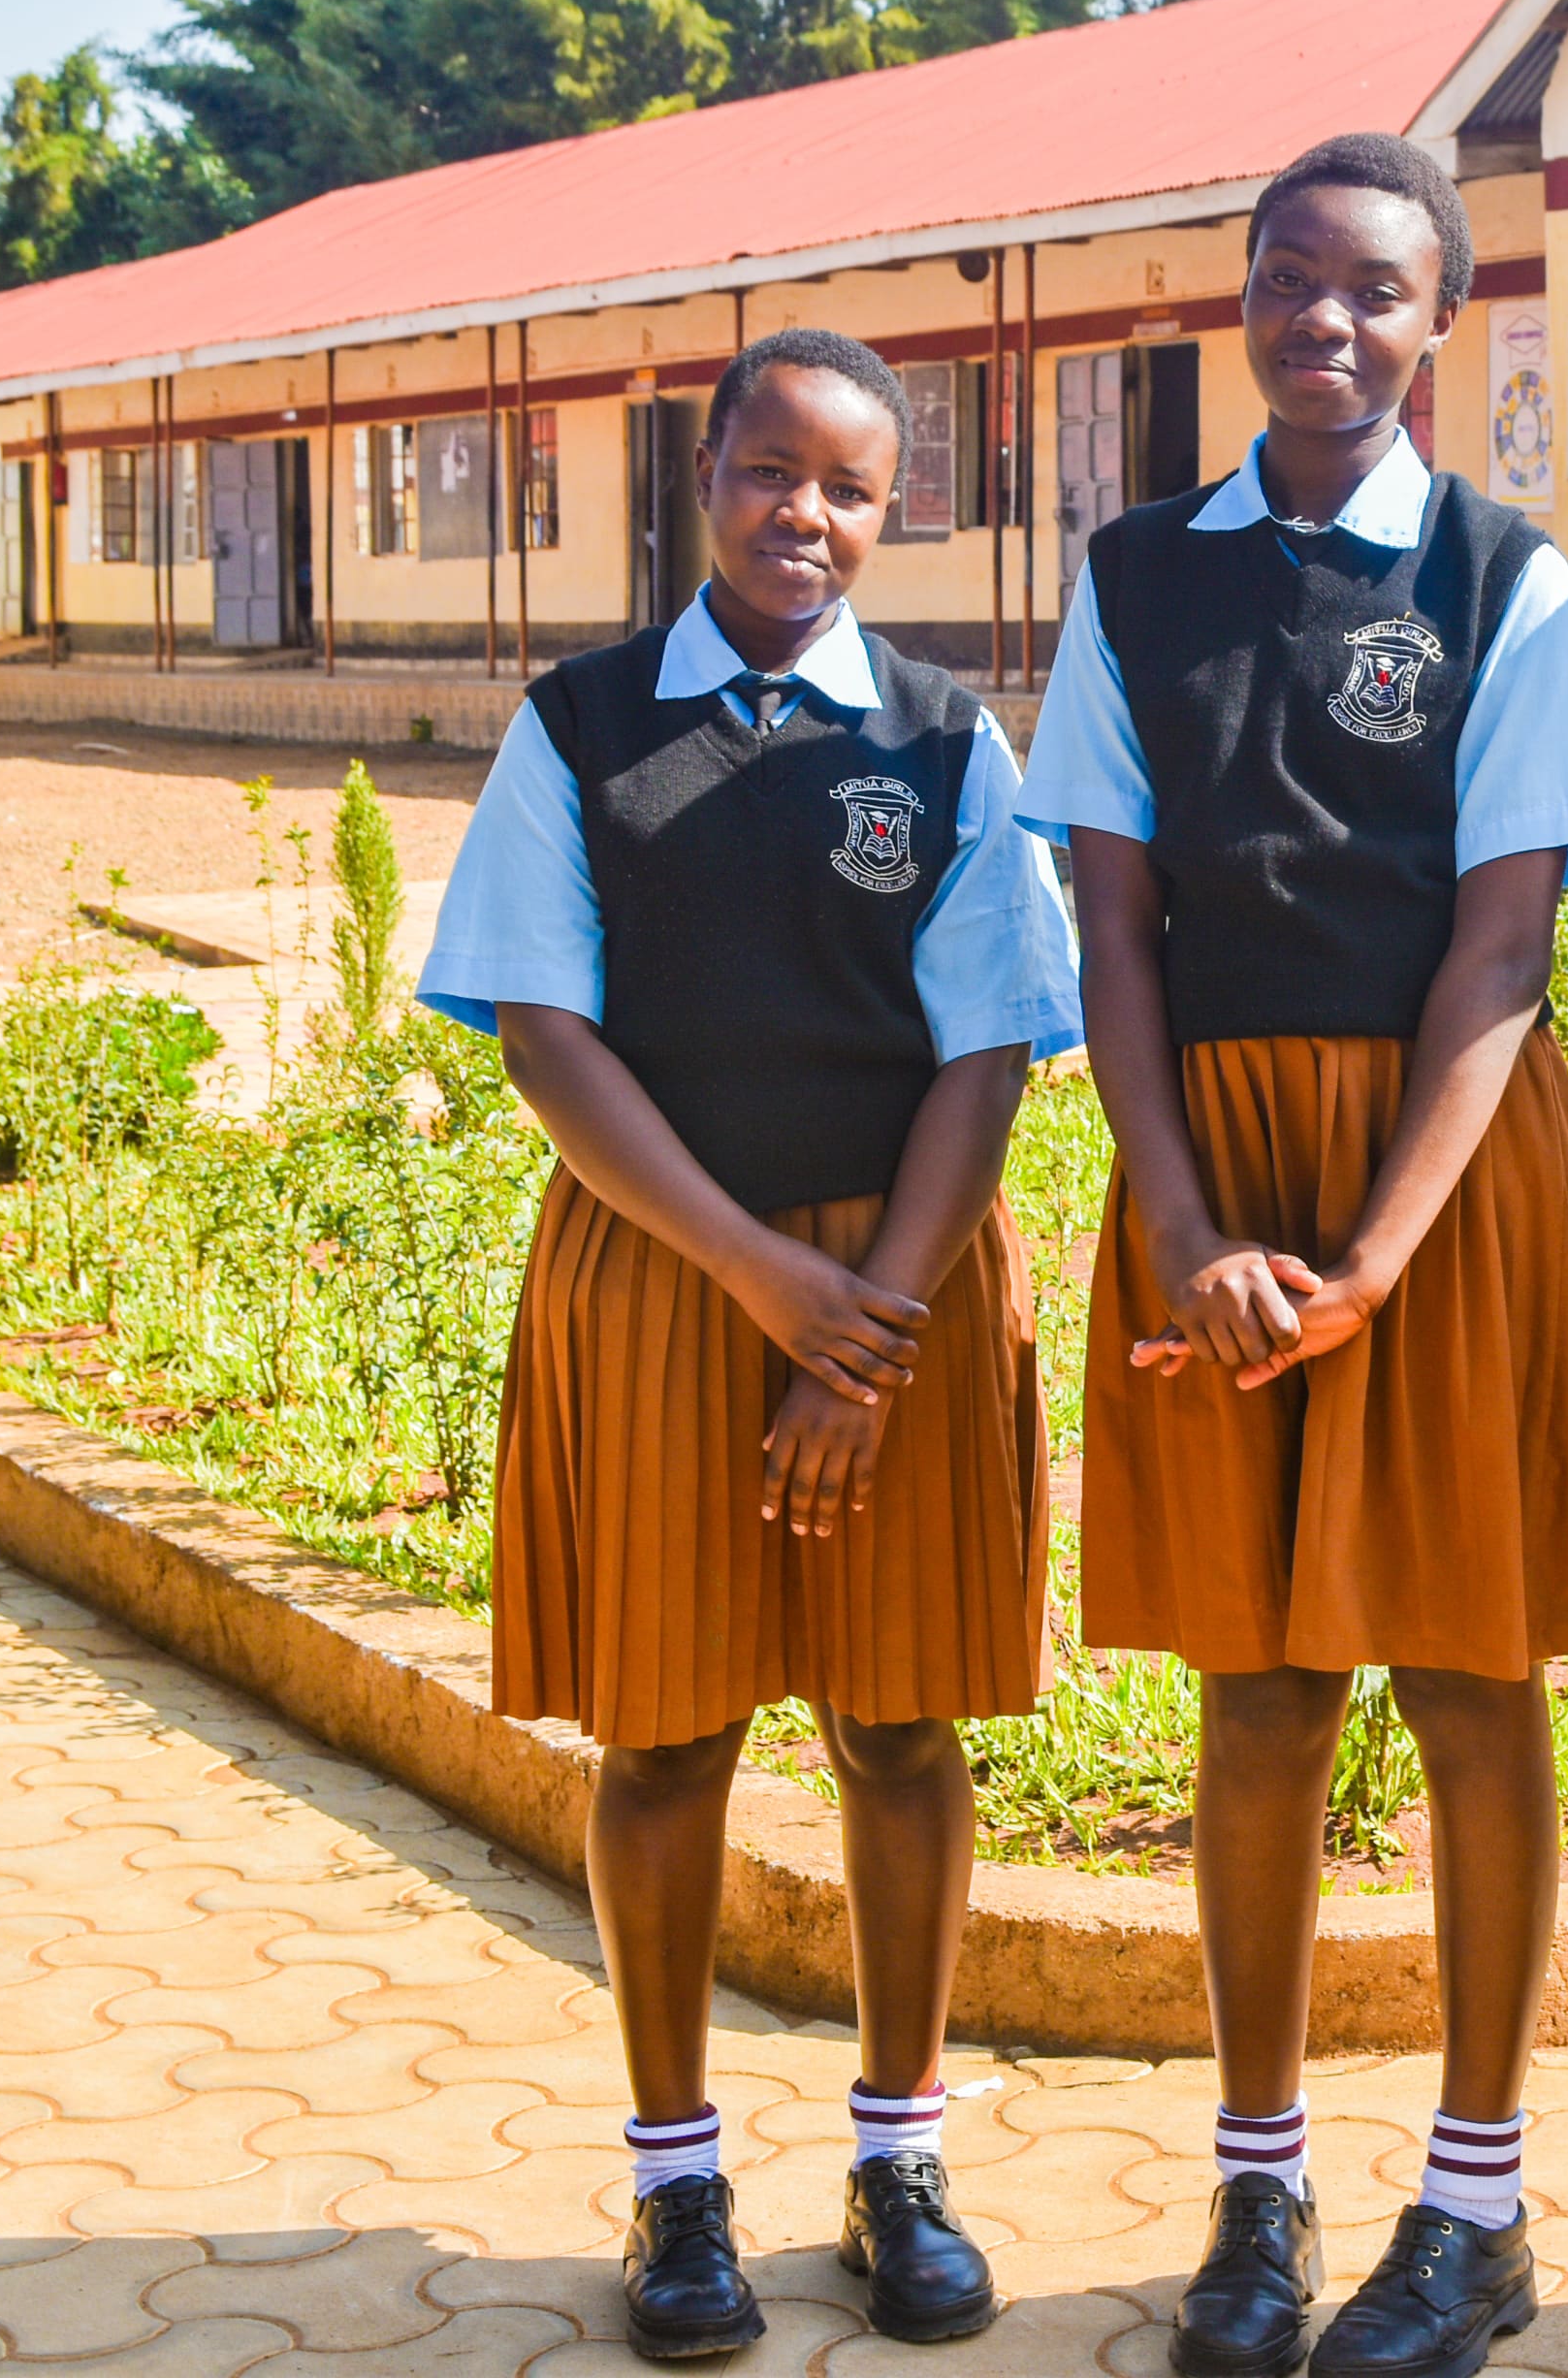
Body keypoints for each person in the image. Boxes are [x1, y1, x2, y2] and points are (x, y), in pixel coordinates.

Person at [1015, 133, 1568, 2378]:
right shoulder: (1138, 580)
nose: (1323, 321)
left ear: (1436, 320)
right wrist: (1182, 1221)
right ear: (1245, 304)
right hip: (1213, 1169)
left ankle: (1476, 2209)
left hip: (1442, 1172)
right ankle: (1261, 2189)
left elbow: (1505, 945)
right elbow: (1108, 915)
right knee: (1259, 1689)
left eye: (1372, 290)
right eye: (1288, 280)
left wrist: (1382, 1251)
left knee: (1474, 1680)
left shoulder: (1512, 582)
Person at [419, 328, 1081, 2363]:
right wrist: (756, 1283)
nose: (808, 516)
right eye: (770, 471)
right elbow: (546, 1033)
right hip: (665, 1273)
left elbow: (990, 1052)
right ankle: (675, 2182)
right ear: (701, 475)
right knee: (669, 1731)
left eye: (853, 488)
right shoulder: (584, 729)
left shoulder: (953, 745)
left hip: (903, 1284)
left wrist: (853, 1326)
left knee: (897, 1725)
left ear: (899, 513)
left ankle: (899, 2160)